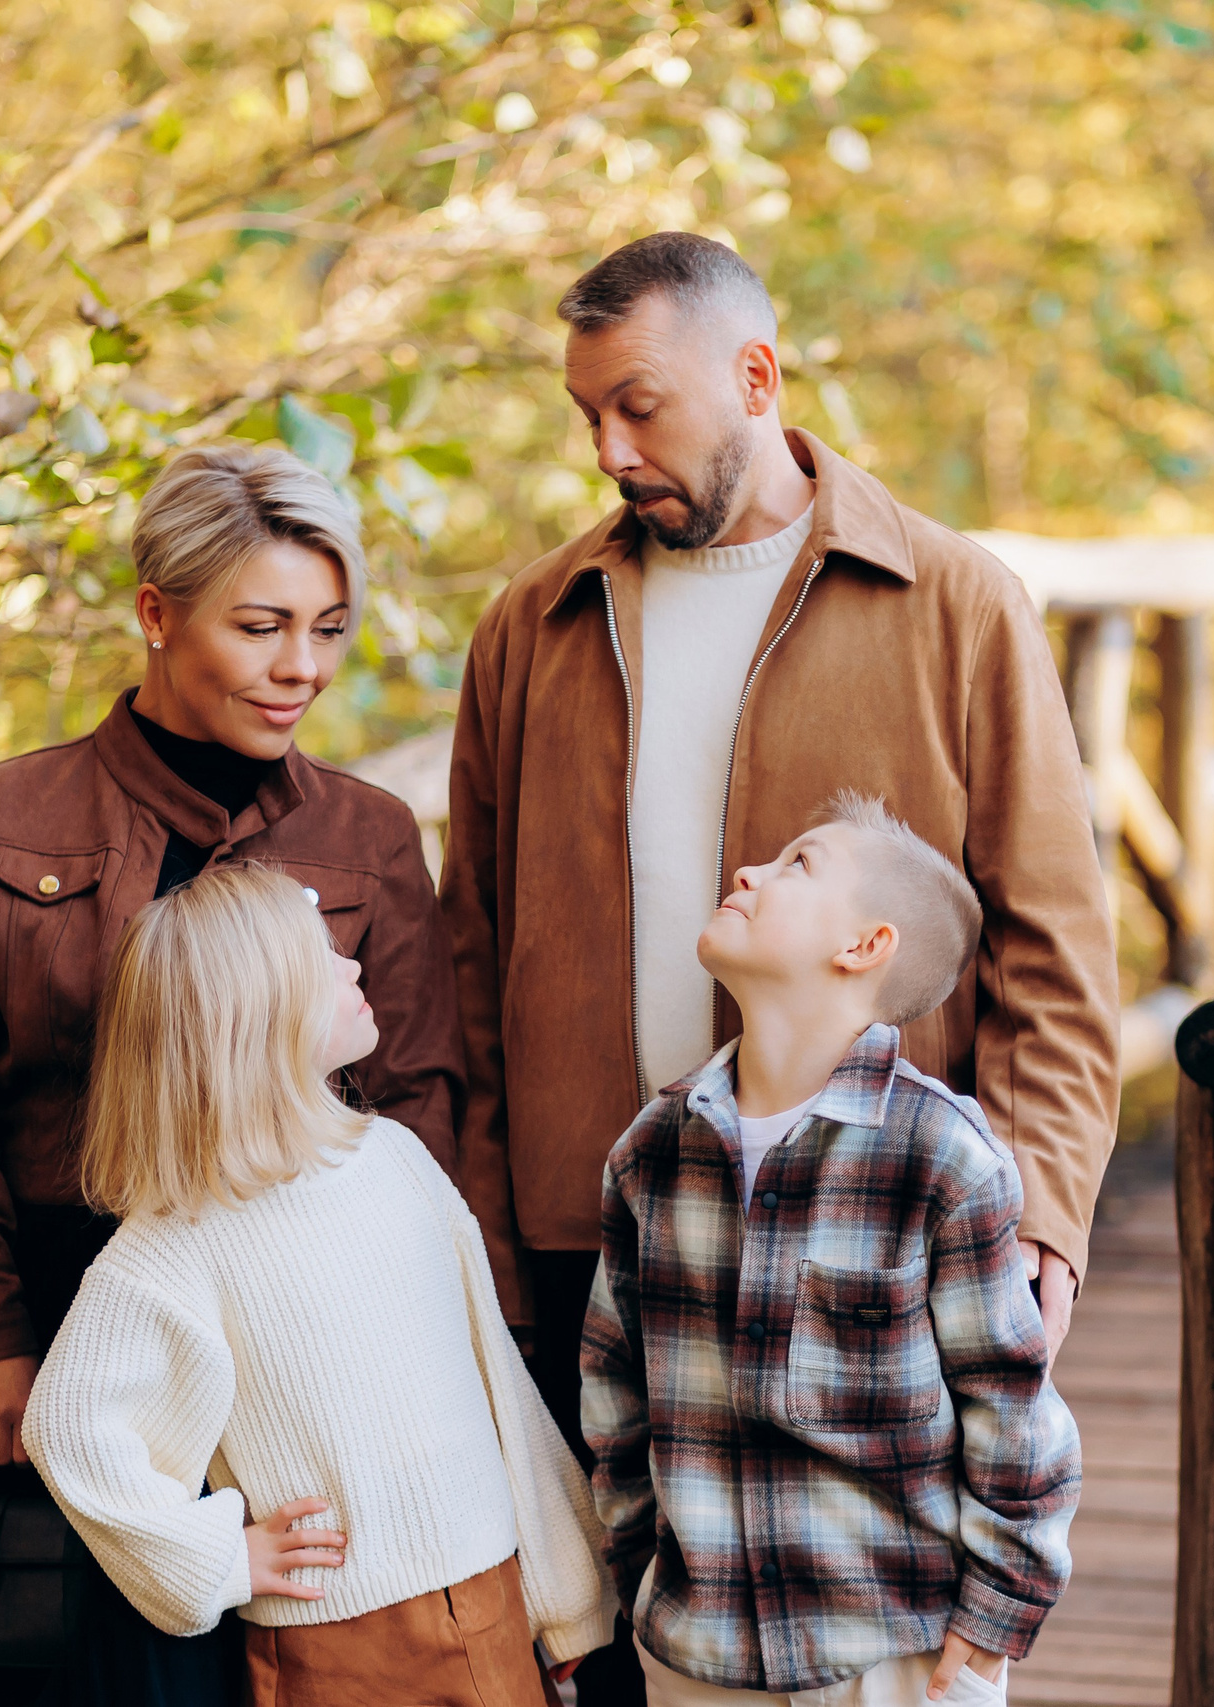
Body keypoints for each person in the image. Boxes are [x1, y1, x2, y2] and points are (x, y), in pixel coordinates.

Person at [441, 231, 1117, 1704]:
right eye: (587, 417)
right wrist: (488, 1242)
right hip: (603, 1250)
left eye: (640, 406)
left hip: (866, 1242)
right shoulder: (531, 630)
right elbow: (471, 964)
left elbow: (1057, 958)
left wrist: (1048, 1221)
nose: (611, 450)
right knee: (625, 1659)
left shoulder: (955, 601)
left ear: (756, 376)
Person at [0, 443, 463, 1698]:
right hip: (40, 1309)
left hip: (279, 1340)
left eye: (326, 627)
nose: (300, 666)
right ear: (156, 613)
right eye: (260, 626)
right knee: (9, 1657)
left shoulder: (366, 835)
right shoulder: (6, 812)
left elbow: (416, 1101)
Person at [24, 864, 614, 1706]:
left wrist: (567, 1604)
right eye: (325, 958)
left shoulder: (397, 1159)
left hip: (496, 1606)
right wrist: (220, 1558)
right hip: (337, 1653)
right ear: (258, 1015)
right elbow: (69, 1425)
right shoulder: (176, 1240)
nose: (354, 968)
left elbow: (499, 1390)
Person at [582, 795, 1081, 1706]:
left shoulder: (943, 1155)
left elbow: (1014, 1409)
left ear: (865, 946)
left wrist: (997, 1607)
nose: (749, 872)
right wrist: (637, 1577)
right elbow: (615, 1393)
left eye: (796, 865)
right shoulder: (650, 1153)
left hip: (897, 1654)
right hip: (702, 1656)